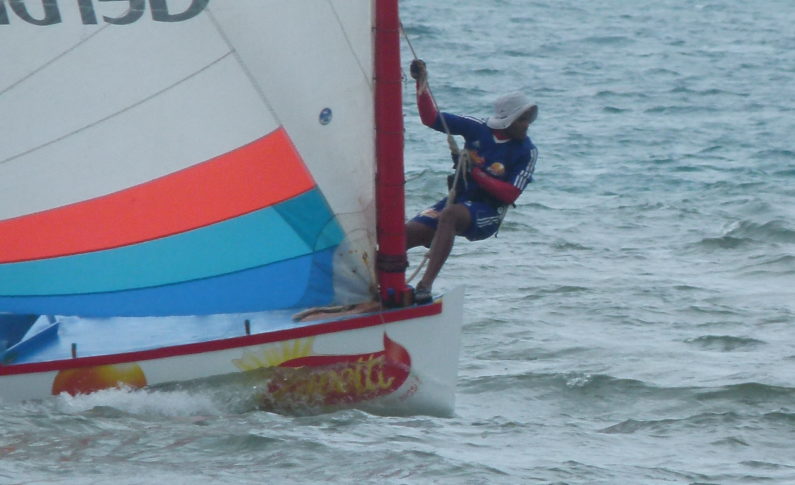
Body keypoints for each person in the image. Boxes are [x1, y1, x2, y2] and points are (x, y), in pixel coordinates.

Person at [406, 59, 539, 303]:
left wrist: (476, 173)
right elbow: (431, 118)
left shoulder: (526, 151)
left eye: (528, 119)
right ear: (508, 120)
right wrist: (420, 83)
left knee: (450, 215)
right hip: (458, 201)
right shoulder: (477, 128)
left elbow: (510, 194)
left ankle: (424, 286)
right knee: (404, 233)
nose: (526, 126)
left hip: (487, 213)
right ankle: (381, 285)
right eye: (522, 120)